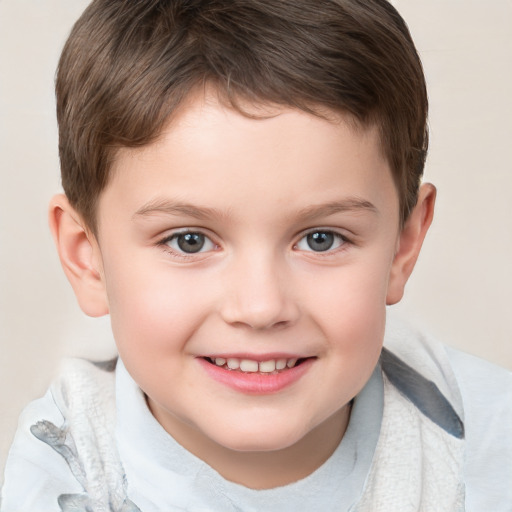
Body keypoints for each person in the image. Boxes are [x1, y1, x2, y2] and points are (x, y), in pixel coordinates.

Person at [1, 0, 511, 510]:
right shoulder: (62, 471)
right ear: (87, 257)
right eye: (189, 240)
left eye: (321, 239)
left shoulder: (489, 447)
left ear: (403, 245)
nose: (261, 307)